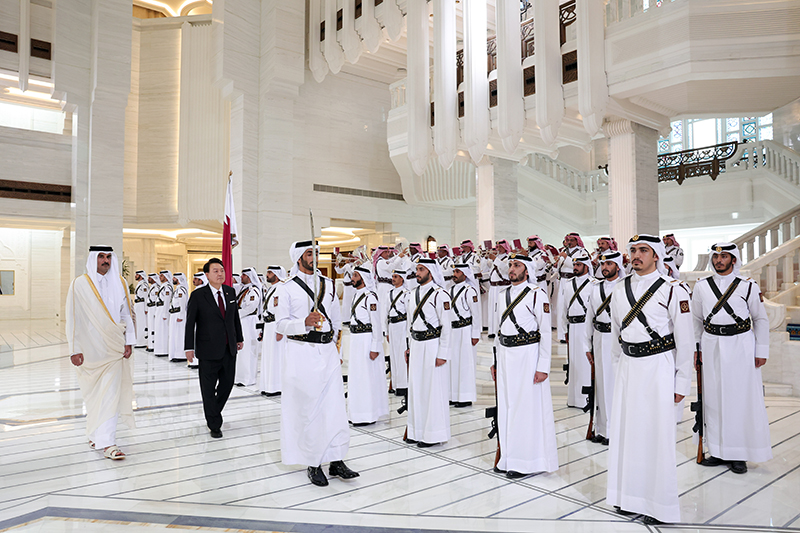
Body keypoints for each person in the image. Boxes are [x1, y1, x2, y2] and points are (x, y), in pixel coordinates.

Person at [606, 234, 693, 525]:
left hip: (658, 367)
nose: (636, 255)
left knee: (655, 437)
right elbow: (616, 336)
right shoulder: (619, 290)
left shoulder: (673, 289)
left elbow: (685, 341)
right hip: (628, 369)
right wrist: (618, 370)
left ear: (656, 255)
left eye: (643, 250)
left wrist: (681, 384)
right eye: (633, 250)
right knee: (627, 434)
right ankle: (628, 497)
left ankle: (658, 504)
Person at [275, 240, 359, 487]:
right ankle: (313, 463)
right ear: (298, 257)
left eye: (316, 253)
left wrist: (335, 346)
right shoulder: (286, 289)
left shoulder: (329, 284)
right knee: (309, 410)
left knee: (334, 408)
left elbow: (336, 319)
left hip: (327, 352)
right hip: (302, 352)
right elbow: (280, 325)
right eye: (309, 253)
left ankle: (336, 459)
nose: (314, 257)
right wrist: (304, 322)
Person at [692, 242, 771, 474]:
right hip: (711, 344)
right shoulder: (701, 287)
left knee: (739, 400)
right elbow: (696, 320)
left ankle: (739, 454)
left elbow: (761, 319)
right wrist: (697, 348)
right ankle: (717, 450)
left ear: (733, 260)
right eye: (716, 257)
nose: (719, 261)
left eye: (724, 257)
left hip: (741, 346)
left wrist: (761, 350)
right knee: (713, 400)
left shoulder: (748, 286)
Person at [66, 245, 136, 460]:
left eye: (108, 257)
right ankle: (96, 433)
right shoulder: (80, 284)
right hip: (90, 348)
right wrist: (74, 349)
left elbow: (127, 314)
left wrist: (129, 341)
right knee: (95, 393)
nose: (105, 260)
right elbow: (73, 317)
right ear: (93, 259)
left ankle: (107, 443)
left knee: (111, 393)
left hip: (114, 346)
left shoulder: (121, 282)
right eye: (101, 257)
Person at [492, 253, 558, 478]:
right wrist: (495, 360)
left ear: (527, 270)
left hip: (528, 355)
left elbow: (546, 331)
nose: (511, 269)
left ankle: (527, 461)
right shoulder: (502, 294)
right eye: (510, 265)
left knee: (525, 409)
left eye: (517, 265)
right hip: (505, 355)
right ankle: (508, 458)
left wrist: (543, 366)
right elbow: (498, 328)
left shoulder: (537, 294)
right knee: (508, 407)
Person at [184, 258, 244, 439]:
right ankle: (214, 424)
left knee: (227, 384)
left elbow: (235, 318)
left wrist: (239, 338)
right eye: (216, 271)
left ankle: (213, 411)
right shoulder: (198, 295)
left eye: (222, 270)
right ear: (207, 275)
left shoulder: (230, 292)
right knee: (208, 388)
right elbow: (190, 323)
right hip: (208, 349)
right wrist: (189, 347)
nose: (220, 274)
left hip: (229, 348)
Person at [404, 258, 453, 448]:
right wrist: (408, 346)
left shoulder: (441, 295)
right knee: (417, 388)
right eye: (417, 269)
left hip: (433, 345)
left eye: (421, 269)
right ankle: (416, 431)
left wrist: (443, 353)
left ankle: (433, 434)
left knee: (432, 390)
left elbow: (446, 326)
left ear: (430, 272)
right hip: (416, 345)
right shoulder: (413, 293)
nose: (418, 272)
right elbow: (409, 323)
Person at [583, 250, 624, 445]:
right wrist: (587, 344)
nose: (605, 267)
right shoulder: (594, 287)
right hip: (599, 338)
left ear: (618, 266)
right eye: (603, 264)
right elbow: (589, 317)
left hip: (618, 341)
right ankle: (602, 428)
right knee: (601, 384)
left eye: (609, 264)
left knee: (615, 384)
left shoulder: (625, 287)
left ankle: (615, 430)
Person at [347, 265, 389, 425]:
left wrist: (375, 347)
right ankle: (356, 413)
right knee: (357, 378)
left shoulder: (370, 297)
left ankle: (368, 414)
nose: (353, 278)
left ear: (363, 278)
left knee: (366, 378)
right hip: (356, 340)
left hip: (366, 341)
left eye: (356, 275)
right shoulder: (356, 295)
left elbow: (377, 324)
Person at [559, 253, 593, 408]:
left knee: (586, 363)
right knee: (574, 363)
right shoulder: (568, 284)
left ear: (586, 266)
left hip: (586, 327)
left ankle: (586, 398)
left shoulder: (594, 284)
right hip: (572, 328)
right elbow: (564, 308)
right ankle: (574, 399)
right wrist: (565, 328)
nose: (575, 268)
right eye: (574, 265)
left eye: (578, 265)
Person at [449, 263, 481, 408]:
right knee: (453, 364)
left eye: (458, 271)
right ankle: (453, 395)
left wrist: (475, 333)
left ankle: (465, 397)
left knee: (465, 364)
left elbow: (476, 313)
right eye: (454, 271)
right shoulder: (449, 290)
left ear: (465, 274)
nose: (454, 274)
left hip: (465, 330)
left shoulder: (470, 291)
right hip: (452, 331)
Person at [259, 265, 287, 396]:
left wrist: (280, 330)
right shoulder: (272, 288)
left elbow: (280, 310)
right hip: (269, 326)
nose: (267, 275)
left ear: (276, 274)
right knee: (269, 357)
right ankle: (268, 385)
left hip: (276, 326)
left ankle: (276, 386)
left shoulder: (281, 289)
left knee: (276, 356)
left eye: (270, 272)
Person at [234, 267, 262, 387]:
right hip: (243, 321)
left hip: (249, 322)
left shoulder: (253, 291)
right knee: (241, 352)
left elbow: (250, 308)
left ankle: (248, 378)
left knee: (248, 350)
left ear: (249, 277)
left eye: (243, 275)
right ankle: (240, 377)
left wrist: (236, 315)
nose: (241, 277)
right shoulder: (244, 289)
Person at [385, 268, 409, 396]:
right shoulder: (389, 293)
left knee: (401, 356)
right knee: (393, 356)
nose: (393, 278)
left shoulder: (406, 294)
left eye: (396, 276)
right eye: (393, 276)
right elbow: (385, 313)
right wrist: (387, 331)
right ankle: (394, 384)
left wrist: (408, 333)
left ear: (402, 278)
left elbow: (409, 315)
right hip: (392, 326)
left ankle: (403, 385)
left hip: (402, 326)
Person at [488, 240, 511, 338]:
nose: (498, 249)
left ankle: (501, 329)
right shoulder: (497, 258)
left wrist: (495, 260)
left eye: (500, 247)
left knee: (501, 308)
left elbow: (506, 269)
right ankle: (493, 330)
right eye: (497, 247)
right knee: (492, 309)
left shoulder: (508, 257)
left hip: (502, 286)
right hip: (493, 287)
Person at [168, 273, 189, 362]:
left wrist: (181, 316)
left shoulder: (181, 290)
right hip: (174, 315)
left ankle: (180, 355)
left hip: (179, 316)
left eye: (174, 278)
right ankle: (175, 354)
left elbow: (183, 304)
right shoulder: (178, 290)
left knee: (179, 336)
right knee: (174, 336)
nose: (173, 279)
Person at [154, 270, 173, 357]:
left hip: (163, 310)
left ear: (165, 277)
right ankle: (159, 349)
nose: (159, 277)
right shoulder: (163, 286)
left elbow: (166, 301)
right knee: (159, 330)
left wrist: (165, 313)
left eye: (161, 276)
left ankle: (164, 350)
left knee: (163, 330)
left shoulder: (167, 287)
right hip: (159, 309)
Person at [133, 271, 148, 348]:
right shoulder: (139, 284)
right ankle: (137, 341)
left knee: (141, 323)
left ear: (141, 276)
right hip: (138, 305)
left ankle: (142, 342)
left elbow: (146, 297)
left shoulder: (144, 285)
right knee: (137, 323)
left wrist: (146, 308)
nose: (135, 276)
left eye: (137, 275)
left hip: (142, 306)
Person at [146, 273, 160, 352]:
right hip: (150, 308)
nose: (148, 279)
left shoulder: (156, 288)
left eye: (150, 278)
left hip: (154, 308)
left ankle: (153, 345)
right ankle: (150, 345)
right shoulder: (152, 287)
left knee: (153, 327)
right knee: (150, 326)